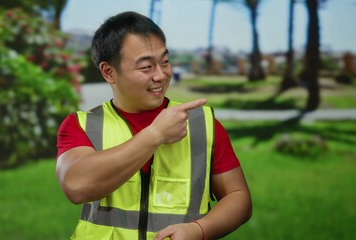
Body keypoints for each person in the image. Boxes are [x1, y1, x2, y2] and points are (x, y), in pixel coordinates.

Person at [56, 11, 252, 240]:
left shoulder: (203, 124)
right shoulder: (81, 125)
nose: (161, 75)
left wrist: (199, 230)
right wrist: (156, 134)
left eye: (165, 62)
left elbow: (239, 197)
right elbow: (77, 186)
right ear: (109, 72)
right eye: (147, 67)